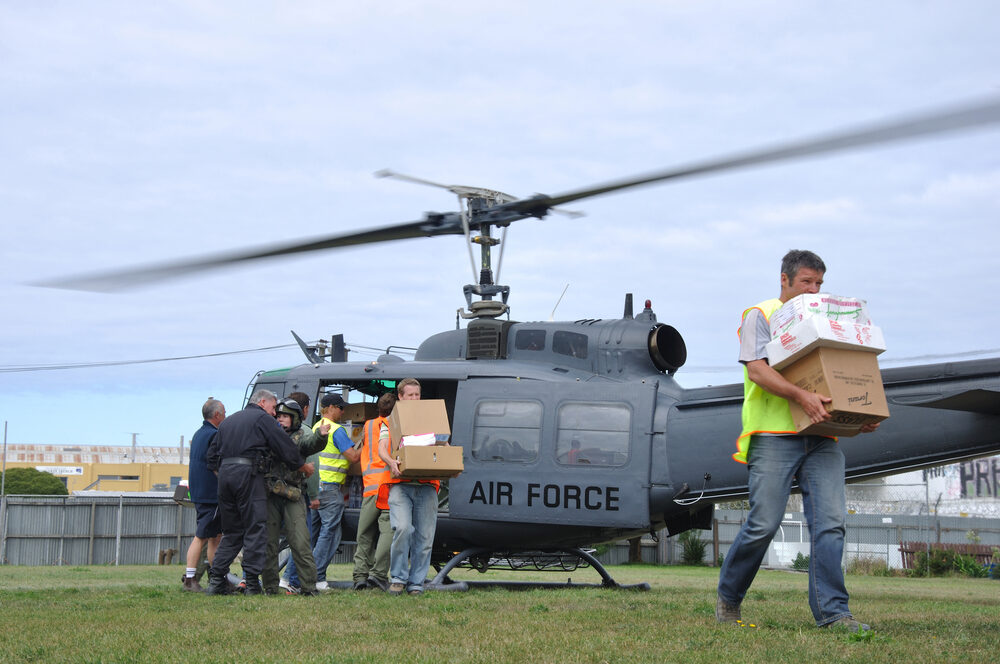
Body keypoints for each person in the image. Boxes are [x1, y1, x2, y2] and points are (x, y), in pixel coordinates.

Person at [716, 249, 878, 632]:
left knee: (831, 524)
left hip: (822, 436)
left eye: (819, 283)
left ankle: (834, 613)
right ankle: (729, 599)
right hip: (774, 435)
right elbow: (757, 371)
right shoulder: (761, 314)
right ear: (784, 280)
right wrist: (801, 397)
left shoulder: (826, 318)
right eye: (807, 282)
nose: (814, 290)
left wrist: (858, 413)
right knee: (763, 524)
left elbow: (836, 374)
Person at [204, 389, 314, 595]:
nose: (275, 413)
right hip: (249, 475)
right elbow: (285, 447)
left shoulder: (228, 422)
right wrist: (303, 467)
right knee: (255, 528)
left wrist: (226, 474)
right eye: (273, 407)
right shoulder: (263, 419)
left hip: (225, 477)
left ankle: (216, 580)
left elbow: (211, 457)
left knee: (232, 531)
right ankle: (252, 583)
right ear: (263, 402)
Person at [378, 378, 443, 596]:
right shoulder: (390, 421)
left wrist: (448, 461)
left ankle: (416, 583)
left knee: (425, 537)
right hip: (400, 484)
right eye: (410, 395)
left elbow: (444, 444)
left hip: (427, 485)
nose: (415, 398)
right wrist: (391, 462)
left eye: (417, 395)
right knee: (403, 529)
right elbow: (382, 449)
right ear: (401, 397)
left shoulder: (431, 420)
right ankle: (397, 578)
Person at [260, 398, 329, 596]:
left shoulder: (300, 436)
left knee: (300, 542)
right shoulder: (269, 436)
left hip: (293, 494)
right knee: (269, 544)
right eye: (279, 415)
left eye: (285, 417)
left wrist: (321, 435)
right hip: (271, 495)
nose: (281, 419)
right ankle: (270, 587)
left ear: (295, 418)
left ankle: (308, 586)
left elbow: (311, 444)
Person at [311, 392, 361, 590]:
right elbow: (353, 457)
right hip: (331, 488)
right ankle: (317, 576)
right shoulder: (337, 430)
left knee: (313, 533)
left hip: (317, 486)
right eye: (341, 408)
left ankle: (302, 574)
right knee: (330, 534)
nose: (343, 411)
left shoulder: (316, 427)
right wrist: (365, 440)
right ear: (330, 407)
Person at [351, 392, 396, 590]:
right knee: (387, 531)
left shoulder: (368, 425)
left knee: (365, 534)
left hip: (369, 486)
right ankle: (378, 574)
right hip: (389, 484)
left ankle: (360, 576)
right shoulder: (395, 426)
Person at [182, 398, 226, 592]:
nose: (226, 416)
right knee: (202, 536)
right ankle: (190, 579)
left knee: (214, 536)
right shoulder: (214, 435)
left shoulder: (199, 434)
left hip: (199, 491)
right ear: (217, 415)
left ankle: (216, 577)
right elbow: (215, 463)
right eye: (224, 413)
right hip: (211, 493)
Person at [281, 391, 323, 592]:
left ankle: (253, 578)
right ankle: (292, 579)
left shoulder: (273, 431)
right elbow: (312, 470)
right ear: (305, 410)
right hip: (298, 494)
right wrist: (315, 497)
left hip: (273, 493)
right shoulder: (304, 432)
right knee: (303, 539)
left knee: (268, 538)